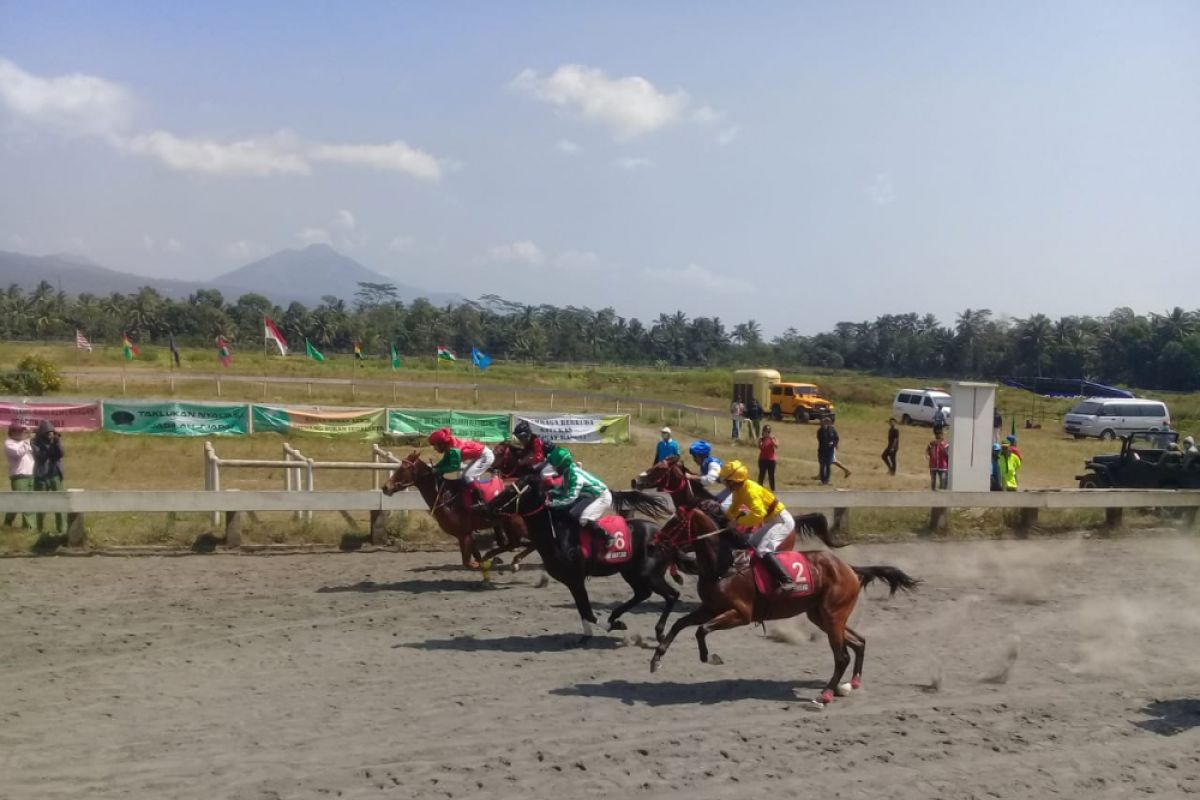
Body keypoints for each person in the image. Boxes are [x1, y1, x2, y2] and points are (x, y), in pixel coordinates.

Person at [719, 460, 797, 590]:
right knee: (751, 543)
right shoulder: (739, 490)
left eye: (727, 481)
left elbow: (758, 515)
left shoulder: (750, 491)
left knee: (763, 549)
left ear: (734, 480)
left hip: (782, 521)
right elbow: (734, 508)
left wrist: (737, 522)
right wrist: (725, 520)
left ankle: (787, 580)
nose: (725, 484)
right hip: (772, 520)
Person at [545, 446, 611, 561]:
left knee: (584, 518)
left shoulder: (574, 475)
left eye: (555, 465)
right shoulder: (568, 472)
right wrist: (552, 493)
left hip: (601, 497)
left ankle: (607, 537)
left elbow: (570, 498)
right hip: (589, 495)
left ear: (562, 465)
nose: (554, 468)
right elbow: (564, 490)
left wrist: (552, 503)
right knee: (571, 513)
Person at [427, 427, 495, 502]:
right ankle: (467, 494)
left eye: (435, 445)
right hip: (479, 455)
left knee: (468, 476)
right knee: (463, 475)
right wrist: (436, 467)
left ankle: (479, 499)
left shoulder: (454, 450)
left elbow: (454, 467)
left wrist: (438, 470)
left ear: (441, 444)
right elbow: (445, 461)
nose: (434, 448)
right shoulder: (449, 446)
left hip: (485, 456)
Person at [31, 420, 65, 533]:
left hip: (54, 475)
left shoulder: (55, 441)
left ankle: (61, 529)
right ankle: (39, 529)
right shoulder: (35, 442)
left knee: (59, 504)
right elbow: (40, 457)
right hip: (41, 476)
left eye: (50, 432)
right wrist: (49, 446)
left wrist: (57, 442)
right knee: (41, 504)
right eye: (46, 432)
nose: (49, 435)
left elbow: (61, 454)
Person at [4, 423, 35, 529]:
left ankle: (26, 526)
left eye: (22, 431)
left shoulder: (25, 442)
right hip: (19, 476)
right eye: (19, 431)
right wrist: (27, 440)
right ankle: (29, 526)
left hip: (31, 474)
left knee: (28, 501)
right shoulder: (9, 443)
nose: (21, 433)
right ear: (12, 433)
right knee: (21, 500)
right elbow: (18, 453)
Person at [816, 415, 838, 485]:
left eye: (827, 422)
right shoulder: (820, 431)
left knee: (828, 466)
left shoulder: (832, 430)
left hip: (830, 451)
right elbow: (820, 439)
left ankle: (827, 480)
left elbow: (836, 438)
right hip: (822, 451)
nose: (825, 424)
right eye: (823, 423)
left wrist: (833, 443)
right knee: (822, 466)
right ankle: (823, 480)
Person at [757, 424, 779, 490]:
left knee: (771, 476)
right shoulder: (762, 439)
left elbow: (777, 446)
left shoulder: (773, 438)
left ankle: (773, 490)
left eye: (769, 431)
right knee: (761, 475)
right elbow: (760, 447)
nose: (767, 433)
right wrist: (759, 441)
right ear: (763, 432)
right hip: (763, 460)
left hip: (771, 460)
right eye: (766, 431)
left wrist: (771, 439)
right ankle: (759, 489)